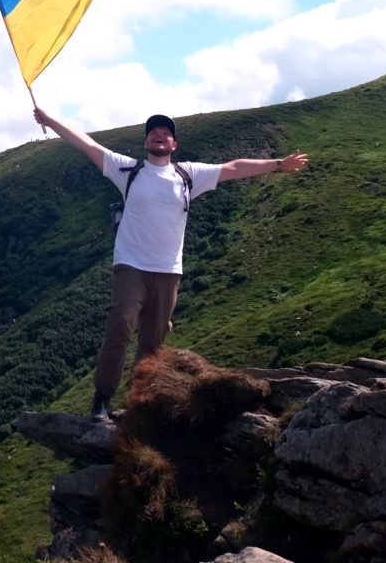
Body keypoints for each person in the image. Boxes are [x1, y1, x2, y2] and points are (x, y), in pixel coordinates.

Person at [32, 107, 309, 421]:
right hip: (131, 265)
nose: (159, 135)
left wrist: (278, 165)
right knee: (121, 323)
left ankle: (139, 405)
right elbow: (87, 145)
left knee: (153, 341)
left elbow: (233, 167)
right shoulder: (128, 170)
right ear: (146, 141)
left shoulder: (188, 174)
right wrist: (50, 120)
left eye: (166, 132)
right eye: (153, 131)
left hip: (168, 271)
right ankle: (102, 399)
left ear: (174, 144)